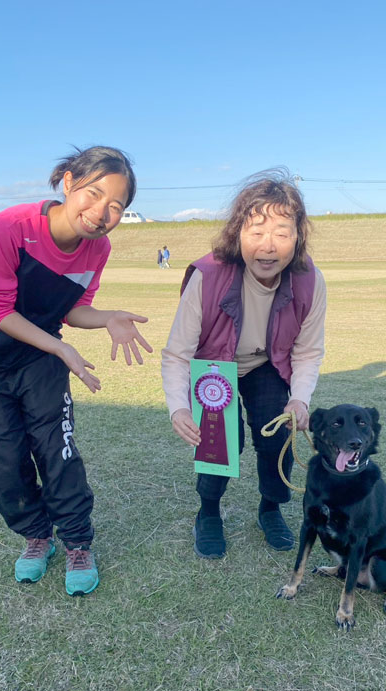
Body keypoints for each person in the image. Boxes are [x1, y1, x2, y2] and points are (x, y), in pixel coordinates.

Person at [0, 145, 153, 595]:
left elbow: (74, 308)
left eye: (116, 206)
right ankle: (37, 537)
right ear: (69, 182)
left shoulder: (98, 248)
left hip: (37, 359)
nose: (101, 213)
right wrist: (60, 347)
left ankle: (77, 542)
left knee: (59, 450)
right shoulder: (9, 228)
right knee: (3, 460)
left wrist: (107, 317)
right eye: (94, 194)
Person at [161, 170, 326, 559]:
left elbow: (307, 350)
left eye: (282, 233)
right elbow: (177, 353)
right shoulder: (208, 276)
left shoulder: (309, 281)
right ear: (238, 234)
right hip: (213, 368)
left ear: (298, 237)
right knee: (221, 439)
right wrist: (178, 407)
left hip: (265, 363)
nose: (268, 246)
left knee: (276, 430)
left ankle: (270, 509)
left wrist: (300, 398)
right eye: (257, 232)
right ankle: (209, 512)